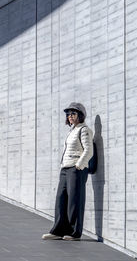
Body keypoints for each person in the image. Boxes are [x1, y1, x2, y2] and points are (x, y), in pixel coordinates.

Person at [42, 102, 93, 241]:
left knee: (75, 201)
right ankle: (58, 230)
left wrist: (79, 165)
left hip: (76, 169)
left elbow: (89, 150)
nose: (70, 116)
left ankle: (74, 233)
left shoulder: (84, 129)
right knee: (61, 199)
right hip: (65, 168)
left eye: (73, 113)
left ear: (80, 115)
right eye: (68, 114)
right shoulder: (72, 130)